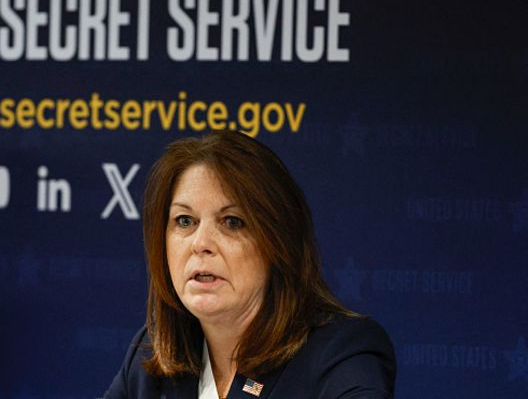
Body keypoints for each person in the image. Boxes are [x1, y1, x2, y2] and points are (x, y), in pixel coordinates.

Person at [104, 131, 396, 399]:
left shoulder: (341, 353)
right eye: (185, 221)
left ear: (278, 243)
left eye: (232, 222)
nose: (200, 242)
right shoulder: (152, 356)